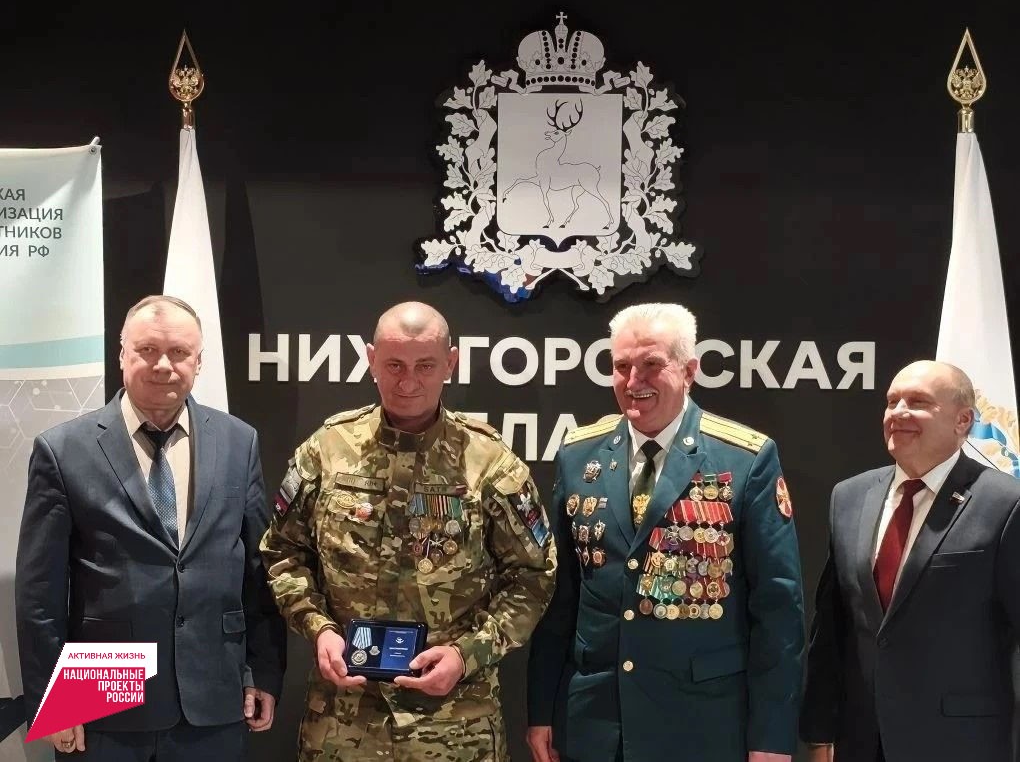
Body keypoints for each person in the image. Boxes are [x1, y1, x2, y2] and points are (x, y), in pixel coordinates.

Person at [260, 301, 556, 761]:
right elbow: (283, 553)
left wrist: (467, 654)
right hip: (343, 722)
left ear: (451, 363)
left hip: (455, 724)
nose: (408, 381)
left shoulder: (489, 462)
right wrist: (319, 630)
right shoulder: (327, 450)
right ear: (370, 360)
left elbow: (534, 576)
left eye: (426, 365)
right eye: (394, 364)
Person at [526, 302, 804, 762]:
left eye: (651, 364)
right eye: (621, 367)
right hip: (596, 725)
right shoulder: (579, 455)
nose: (634, 381)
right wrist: (541, 709)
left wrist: (771, 739)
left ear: (689, 371)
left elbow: (778, 610)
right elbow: (560, 597)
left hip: (700, 726)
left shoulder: (745, 459)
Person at [15, 295, 287, 760]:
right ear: (122, 355)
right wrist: (51, 700)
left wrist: (264, 670)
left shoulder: (238, 441)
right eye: (147, 350)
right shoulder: (62, 450)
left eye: (179, 352)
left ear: (198, 362)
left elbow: (259, 570)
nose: (163, 365)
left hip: (214, 693)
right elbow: (39, 592)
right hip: (101, 695)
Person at [800, 360, 1020, 762]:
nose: (898, 412)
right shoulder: (849, 497)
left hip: (963, 745)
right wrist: (819, 735)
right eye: (892, 401)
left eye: (917, 402)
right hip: (862, 742)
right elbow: (832, 631)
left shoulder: (1006, 504)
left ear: (963, 421)